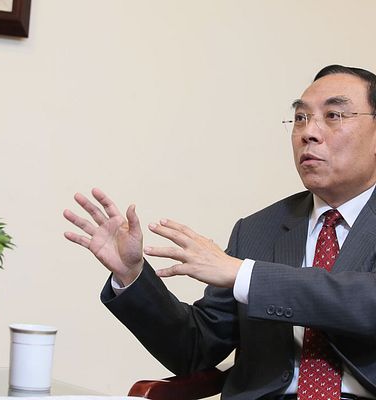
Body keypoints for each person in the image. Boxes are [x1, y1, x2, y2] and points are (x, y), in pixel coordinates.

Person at [63, 65, 376, 400]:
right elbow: (195, 348)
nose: (308, 132)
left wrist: (244, 275)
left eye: (333, 115)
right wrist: (132, 275)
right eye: (300, 118)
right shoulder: (258, 230)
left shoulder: (244, 269)